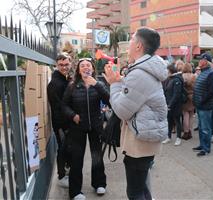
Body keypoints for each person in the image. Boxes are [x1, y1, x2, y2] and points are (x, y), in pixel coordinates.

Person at [103, 27, 168, 200]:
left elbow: (122, 111)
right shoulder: (144, 69)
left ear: (138, 45)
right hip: (144, 135)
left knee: (135, 192)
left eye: (131, 40)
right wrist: (120, 82)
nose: (129, 43)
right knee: (142, 187)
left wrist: (114, 84)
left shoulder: (140, 73)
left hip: (140, 140)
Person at [63, 58, 109, 200]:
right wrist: (73, 115)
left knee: (97, 156)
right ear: (78, 70)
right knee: (77, 158)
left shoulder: (99, 84)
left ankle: (99, 183)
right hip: (78, 127)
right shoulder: (72, 86)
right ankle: (75, 191)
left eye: (88, 65)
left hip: (96, 125)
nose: (85, 68)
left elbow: (109, 99)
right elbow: (64, 106)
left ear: (93, 69)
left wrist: (97, 85)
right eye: (82, 66)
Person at [47, 54, 72, 188]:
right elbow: (58, 107)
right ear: (57, 65)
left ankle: (65, 172)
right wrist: (64, 126)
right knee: (62, 149)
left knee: (66, 148)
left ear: (70, 64)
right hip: (62, 124)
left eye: (66, 64)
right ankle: (62, 176)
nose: (64, 67)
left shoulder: (64, 80)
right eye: (61, 65)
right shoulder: (55, 83)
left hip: (65, 123)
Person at [192, 52, 213, 156]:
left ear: (206, 62)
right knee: (202, 127)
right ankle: (202, 145)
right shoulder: (202, 72)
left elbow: (211, 92)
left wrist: (201, 100)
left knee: (206, 128)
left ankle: (206, 149)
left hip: (205, 106)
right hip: (200, 105)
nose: (199, 61)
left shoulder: (211, 74)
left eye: (201, 59)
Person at [162, 63, 184, 146]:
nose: (165, 72)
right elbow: (165, 91)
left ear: (170, 71)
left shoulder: (177, 80)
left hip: (176, 105)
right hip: (168, 105)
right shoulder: (168, 79)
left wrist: (170, 105)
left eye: (167, 70)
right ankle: (168, 137)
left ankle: (178, 138)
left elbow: (176, 94)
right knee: (169, 121)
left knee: (177, 121)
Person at [181, 63, 196, 140]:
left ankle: (186, 132)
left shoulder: (182, 76)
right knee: (191, 115)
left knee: (185, 115)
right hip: (193, 97)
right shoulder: (194, 76)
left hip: (185, 97)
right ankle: (190, 131)